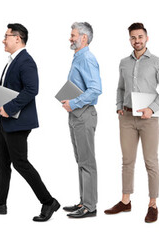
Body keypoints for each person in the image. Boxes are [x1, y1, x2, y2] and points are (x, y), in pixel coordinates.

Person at [0, 23, 60, 222]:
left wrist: (9, 108)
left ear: (18, 38)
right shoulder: (13, 61)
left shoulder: (26, 61)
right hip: (6, 121)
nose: (3, 40)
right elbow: (12, 89)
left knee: (20, 163)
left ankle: (49, 201)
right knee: (2, 164)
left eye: (6, 36)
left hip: (18, 122)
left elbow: (31, 90)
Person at [103, 22, 159, 223]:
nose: (137, 41)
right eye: (133, 37)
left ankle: (152, 205)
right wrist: (118, 105)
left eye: (140, 37)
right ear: (129, 39)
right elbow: (120, 88)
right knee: (127, 161)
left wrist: (152, 108)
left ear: (147, 38)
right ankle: (125, 201)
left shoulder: (158, 62)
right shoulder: (124, 62)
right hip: (127, 118)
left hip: (149, 119)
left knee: (151, 162)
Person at [61, 21, 102, 219]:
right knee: (81, 161)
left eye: (73, 35)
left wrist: (74, 103)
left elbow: (96, 89)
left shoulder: (87, 58)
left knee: (87, 162)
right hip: (76, 115)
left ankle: (90, 206)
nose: (70, 38)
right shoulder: (78, 57)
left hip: (84, 114)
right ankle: (84, 201)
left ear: (83, 38)